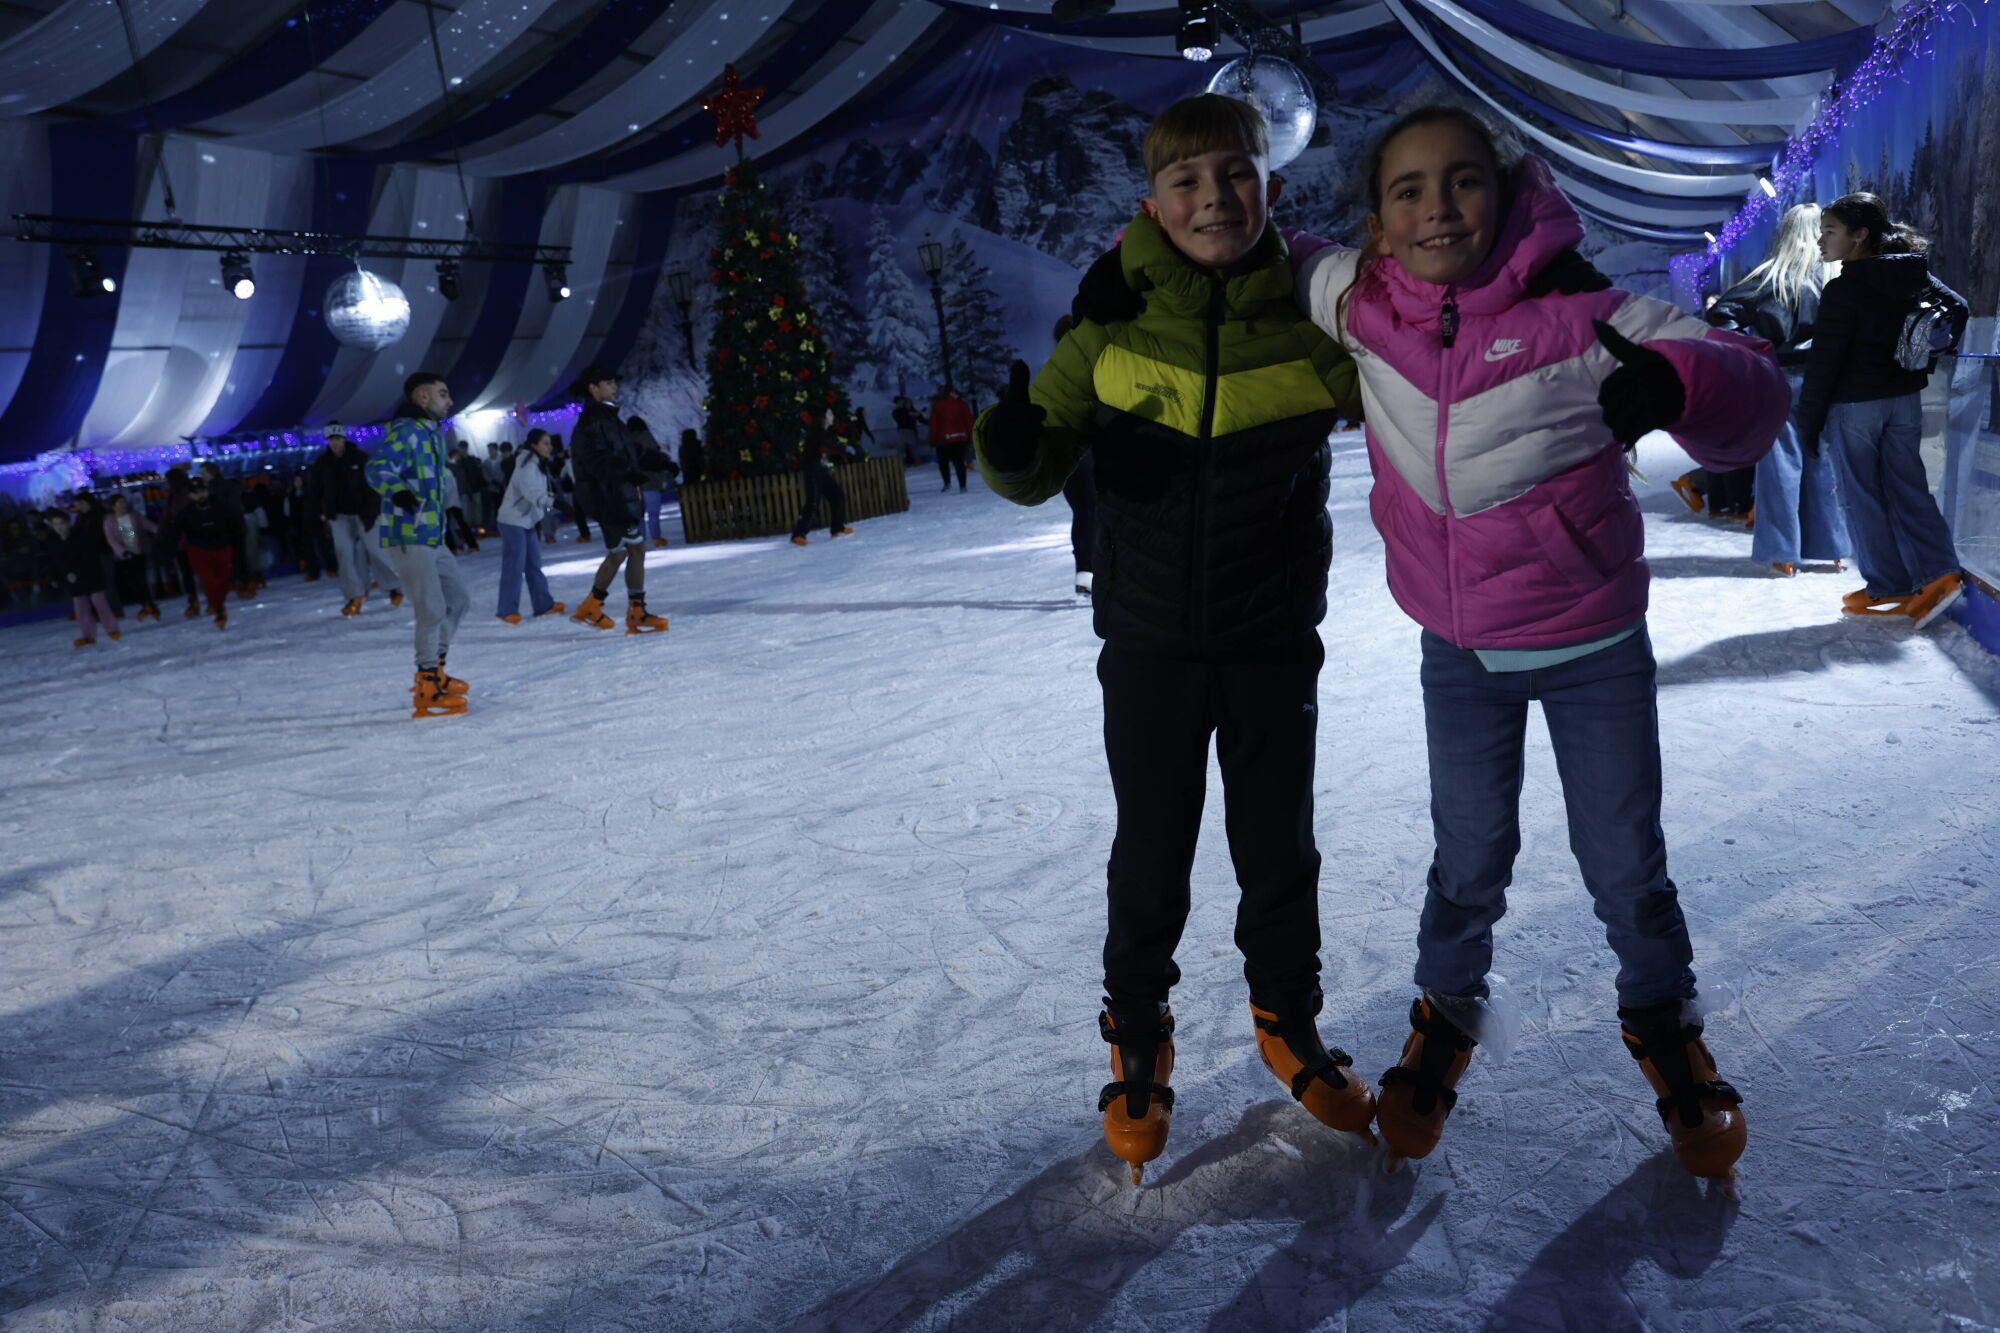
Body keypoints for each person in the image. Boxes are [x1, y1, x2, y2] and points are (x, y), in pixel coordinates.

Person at [1279, 107, 1788, 1184]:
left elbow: (1748, 384)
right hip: (1457, 654)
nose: (1435, 208)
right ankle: (1443, 1017)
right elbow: (1261, 250)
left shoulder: (1584, 314)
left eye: (1461, 181)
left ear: (1504, 194)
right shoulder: (1362, 307)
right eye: (1407, 190)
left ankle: (1665, 1026)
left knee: (1622, 866)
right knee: (1466, 864)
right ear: (1376, 221)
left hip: (1588, 638)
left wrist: (1680, 386)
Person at [976, 93, 1370, 1185]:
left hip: (1268, 637)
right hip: (1147, 639)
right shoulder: (1106, 324)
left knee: (1276, 848)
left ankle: (1286, 1016)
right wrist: (1011, 446)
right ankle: (1137, 1031)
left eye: (1233, 175)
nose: (1213, 198)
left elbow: (1410, 406)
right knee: (1149, 852)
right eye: (1186, 182)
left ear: (1270, 190)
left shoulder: (1310, 324)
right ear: (1150, 203)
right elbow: (1032, 458)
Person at [1798, 192, 1970, 627]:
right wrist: (1924, 355)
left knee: (1863, 497)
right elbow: (1959, 309)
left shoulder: (1844, 288)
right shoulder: (1913, 274)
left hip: (1856, 407)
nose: (1822, 241)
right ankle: (1940, 570)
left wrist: (1809, 421)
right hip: (1903, 400)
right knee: (1908, 486)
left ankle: (1888, 583)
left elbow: (1825, 363)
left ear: (1860, 236)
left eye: (1830, 232)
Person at [1704, 203, 1851, 577]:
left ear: (1786, 233)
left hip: (1781, 378)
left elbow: (1720, 314)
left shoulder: (1772, 277)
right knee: (1824, 460)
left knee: (1780, 463)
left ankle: (1782, 551)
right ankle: (1832, 547)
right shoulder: (1837, 276)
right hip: (1829, 379)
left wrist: (1757, 352)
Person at [367, 372, 473, 717]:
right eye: (443, 394)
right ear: (423, 398)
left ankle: (436, 670)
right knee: (431, 608)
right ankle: (427, 686)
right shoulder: (409, 433)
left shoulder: (431, 436)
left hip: (431, 534)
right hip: (408, 534)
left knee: (457, 599)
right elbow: (377, 467)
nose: (450, 400)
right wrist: (400, 494)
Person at [566, 366, 670, 634]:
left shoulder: (612, 420)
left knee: (623, 551)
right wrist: (628, 473)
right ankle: (634, 611)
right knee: (634, 549)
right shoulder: (590, 423)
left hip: (618, 496)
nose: (614, 387)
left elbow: (631, 453)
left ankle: (594, 605)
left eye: (614, 382)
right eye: (608, 382)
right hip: (608, 499)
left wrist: (656, 461)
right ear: (593, 387)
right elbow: (596, 461)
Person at [311, 423, 403, 616]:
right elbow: (316, 491)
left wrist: (373, 511)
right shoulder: (322, 463)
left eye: (338, 439)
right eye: (332, 440)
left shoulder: (360, 458)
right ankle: (354, 596)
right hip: (340, 516)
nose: (335, 443)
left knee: (376, 550)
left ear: (344, 439)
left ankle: (393, 586)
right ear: (328, 442)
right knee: (344, 553)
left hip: (364, 514)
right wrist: (321, 512)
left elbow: (373, 485)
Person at [495, 430, 565, 623]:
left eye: (550, 443)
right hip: (512, 520)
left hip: (526, 520)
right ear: (534, 445)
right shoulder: (526, 465)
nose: (549, 447)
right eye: (545, 443)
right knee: (514, 566)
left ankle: (543, 605)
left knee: (533, 564)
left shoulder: (538, 464)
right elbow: (532, 492)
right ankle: (506, 609)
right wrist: (554, 501)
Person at [172, 475, 242, 629]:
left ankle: (206, 603)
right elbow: (168, 526)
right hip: (197, 548)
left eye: (202, 490)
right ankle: (210, 606)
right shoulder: (121, 519)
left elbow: (154, 526)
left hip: (219, 546)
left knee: (220, 578)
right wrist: (128, 547)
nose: (200, 495)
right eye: (195, 492)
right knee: (207, 578)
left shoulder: (219, 506)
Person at [51, 509, 119, 646]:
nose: (59, 527)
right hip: (77, 579)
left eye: (62, 523)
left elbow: (122, 536)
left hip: (94, 573)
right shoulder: (56, 542)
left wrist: (124, 550)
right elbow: (57, 562)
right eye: (55, 524)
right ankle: (88, 635)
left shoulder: (120, 519)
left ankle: (146, 605)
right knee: (81, 607)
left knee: (100, 602)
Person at [789, 410, 854, 547]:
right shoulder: (817, 429)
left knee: (837, 495)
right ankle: (798, 535)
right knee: (813, 502)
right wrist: (840, 450)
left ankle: (837, 528)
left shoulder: (822, 430)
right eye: (829, 416)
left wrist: (839, 450)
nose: (832, 418)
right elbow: (823, 447)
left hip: (821, 468)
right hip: (812, 469)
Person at [103, 493, 160, 621]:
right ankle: (144, 603)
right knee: (133, 582)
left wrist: (161, 531)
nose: (123, 505)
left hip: (139, 552)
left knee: (141, 579)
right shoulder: (110, 521)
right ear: (113, 507)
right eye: (120, 503)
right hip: (124, 556)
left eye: (124, 502)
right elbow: (111, 539)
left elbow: (149, 526)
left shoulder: (134, 516)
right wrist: (122, 551)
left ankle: (149, 604)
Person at [632, 414, 679, 548]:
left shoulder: (627, 441)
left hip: (635, 484)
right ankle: (656, 538)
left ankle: (640, 541)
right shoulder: (647, 438)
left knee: (639, 515)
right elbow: (657, 460)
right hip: (651, 481)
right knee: (653, 513)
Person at [929, 387, 974, 493]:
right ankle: (963, 486)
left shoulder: (937, 405)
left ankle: (947, 483)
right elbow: (969, 420)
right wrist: (970, 436)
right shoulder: (961, 404)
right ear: (951, 393)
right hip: (960, 438)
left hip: (943, 439)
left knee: (943, 463)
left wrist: (933, 439)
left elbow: (933, 424)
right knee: (959, 463)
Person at [891, 395, 926, 465]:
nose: (909, 404)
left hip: (909, 430)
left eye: (910, 403)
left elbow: (919, 417)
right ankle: (903, 463)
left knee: (910, 447)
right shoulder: (899, 411)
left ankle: (914, 461)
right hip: (905, 430)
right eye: (907, 403)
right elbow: (913, 414)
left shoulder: (907, 410)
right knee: (906, 447)